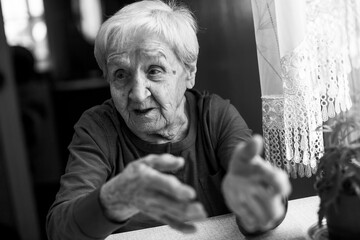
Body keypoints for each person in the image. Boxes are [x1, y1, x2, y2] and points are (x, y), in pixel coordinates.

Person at [46, 1, 291, 239]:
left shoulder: (215, 116)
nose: (138, 93)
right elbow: (60, 230)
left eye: (154, 70)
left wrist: (260, 202)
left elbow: (261, 208)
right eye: (121, 74)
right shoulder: (98, 128)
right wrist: (112, 199)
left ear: (189, 72)